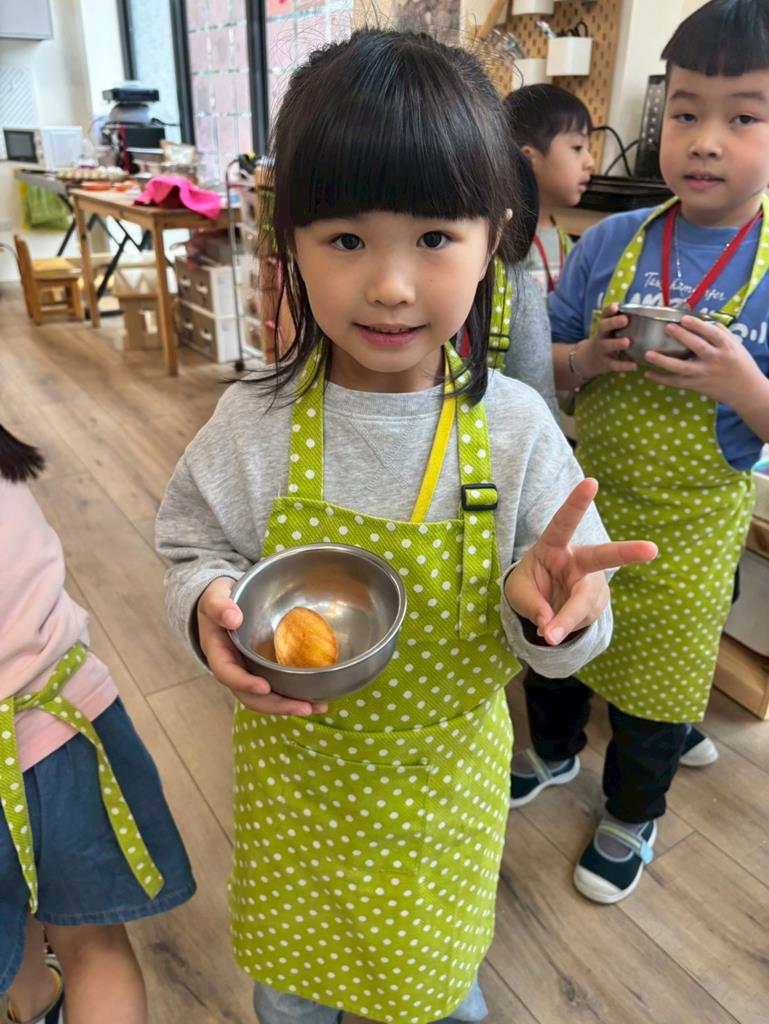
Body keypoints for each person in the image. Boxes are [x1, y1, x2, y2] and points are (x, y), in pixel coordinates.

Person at [156, 30, 656, 1024]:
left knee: (437, 997)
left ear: (493, 236)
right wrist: (205, 602)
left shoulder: (514, 432)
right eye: (346, 240)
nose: (389, 285)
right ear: (289, 243)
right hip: (297, 808)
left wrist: (552, 614)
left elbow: (568, 635)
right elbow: (191, 547)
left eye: (432, 238)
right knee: (291, 1000)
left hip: (438, 816)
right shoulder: (253, 424)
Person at [511, 0, 769, 905]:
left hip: (690, 532)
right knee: (557, 638)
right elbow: (536, 367)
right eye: (685, 111)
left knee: (658, 686)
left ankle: (631, 811)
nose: (705, 140)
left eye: (743, 117)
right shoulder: (612, 242)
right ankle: (551, 751)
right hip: (585, 498)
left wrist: (743, 385)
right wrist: (585, 358)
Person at [0, 424, 195, 1024]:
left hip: (48, 732)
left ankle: (35, 1001)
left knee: (15, 917)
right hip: (67, 733)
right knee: (94, 947)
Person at [503, 84, 595, 296]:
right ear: (528, 157)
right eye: (577, 148)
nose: (590, 162)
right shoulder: (505, 243)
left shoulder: (567, 245)